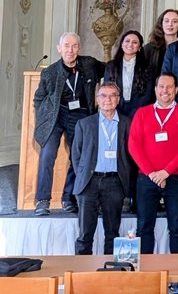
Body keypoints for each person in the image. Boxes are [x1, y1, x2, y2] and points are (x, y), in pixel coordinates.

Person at [128, 73, 178, 266]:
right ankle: (145, 274)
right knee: (144, 227)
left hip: (176, 178)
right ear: (156, 89)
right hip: (146, 178)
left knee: (177, 227)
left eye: (169, 87)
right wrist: (152, 173)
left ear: (176, 90)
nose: (165, 90)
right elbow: (134, 145)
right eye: (161, 87)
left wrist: (166, 172)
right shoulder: (143, 113)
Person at [34, 32, 100, 215]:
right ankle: (42, 200)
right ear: (59, 48)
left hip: (80, 115)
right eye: (67, 46)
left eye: (74, 46)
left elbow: (111, 69)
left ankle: (69, 198)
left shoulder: (89, 64)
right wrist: (43, 117)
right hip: (56, 115)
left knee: (77, 157)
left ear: (79, 48)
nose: (70, 50)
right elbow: (39, 97)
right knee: (47, 155)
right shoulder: (50, 72)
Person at [71, 82, 131, 255]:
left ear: (118, 100)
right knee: (85, 234)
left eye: (113, 95)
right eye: (103, 95)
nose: (108, 99)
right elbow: (76, 154)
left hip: (114, 183)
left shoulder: (127, 123)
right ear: (97, 100)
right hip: (89, 183)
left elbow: (131, 155)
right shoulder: (85, 124)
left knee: (112, 233)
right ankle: (81, 277)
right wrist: (83, 175)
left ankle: (109, 276)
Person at [103, 29, 153, 117]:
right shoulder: (111, 66)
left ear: (140, 47)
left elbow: (148, 94)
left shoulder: (147, 67)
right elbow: (108, 89)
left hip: (139, 111)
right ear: (122, 44)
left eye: (135, 42)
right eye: (127, 41)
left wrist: (137, 111)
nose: (130, 44)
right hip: (115, 110)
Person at [143, 8, 178, 77]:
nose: (170, 24)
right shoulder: (149, 48)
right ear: (161, 24)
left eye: (175, 21)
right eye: (166, 21)